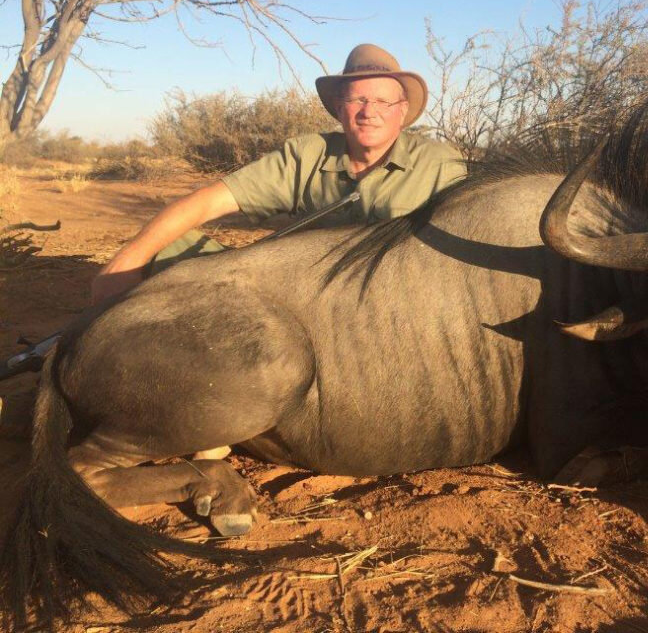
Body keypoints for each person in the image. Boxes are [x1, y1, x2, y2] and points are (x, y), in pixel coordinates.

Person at [0, 44, 466, 438]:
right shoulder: (306, 153)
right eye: (358, 99)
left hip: (382, 317)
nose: (370, 112)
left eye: (384, 102)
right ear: (338, 106)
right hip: (290, 301)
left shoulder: (442, 166)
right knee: (167, 250)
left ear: (402, 113)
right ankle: (102, 357)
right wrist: (126, 261)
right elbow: (204, 204)